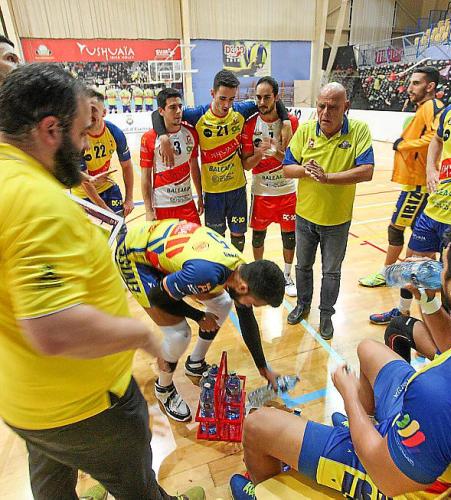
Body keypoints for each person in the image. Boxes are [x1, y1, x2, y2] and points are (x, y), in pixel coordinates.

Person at [0, 63, 204, 500]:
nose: (83, 145)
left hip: (24, 397)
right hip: (85, 404)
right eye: (79, 132)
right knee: (138, 487)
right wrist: (142, 336)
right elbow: (53, 329)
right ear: (50, 130)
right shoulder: (36, 202)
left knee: (52, 483)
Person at [229, 218, 451, 500]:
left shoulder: (436, 395)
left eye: (443, 265)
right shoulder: (446, 381)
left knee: (257, 425)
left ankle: (262, 490)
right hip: (423, 421)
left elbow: (389, 480)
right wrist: (427, 298)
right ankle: (364, 428)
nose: (437, 269)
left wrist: (350, 396)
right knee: (368, 349)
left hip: (393, 474)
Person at [115, 218, 285, 422]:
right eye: (255, 303)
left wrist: (263, 367)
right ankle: (163, 389)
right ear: (243, 288)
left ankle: (195, 363)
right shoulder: (205, 274)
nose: (252, 307)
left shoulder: (241, 270)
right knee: (179, 335)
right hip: (133, 256)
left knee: (222, 303)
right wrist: (199, 316)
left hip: (159, 246)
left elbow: (247, 319)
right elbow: (157, 297)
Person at [152, 69, 293, 252]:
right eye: (222, 98)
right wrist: (163, 136)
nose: (227, 105)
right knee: (215, 241)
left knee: (238, 239)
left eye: (232, 99)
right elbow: (157, 113)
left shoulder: (240, 110)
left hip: (237, 189)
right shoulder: (197, 114)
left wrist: (286, 120)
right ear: (212, 93)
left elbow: (270, 102)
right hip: (213, 193)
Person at [370, 53, 451, 325]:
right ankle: (402, 314)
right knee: (413, 266)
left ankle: (449, 332)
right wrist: (431, 169)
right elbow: (436, 140)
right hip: (435, 208)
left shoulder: (434, 107)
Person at [283, 82, 374, 339]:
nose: (325, 112)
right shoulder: (306, 131)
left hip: (337, 220)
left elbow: (367, 171)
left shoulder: (358, 130)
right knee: (303, 266)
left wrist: (327, 178)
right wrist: (306, 170)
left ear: (346, 107)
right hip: (305, 216)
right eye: (321, 106)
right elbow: (287, 167)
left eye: (332, 107)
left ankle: (326, 315)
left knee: (331, 272)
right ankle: (303, 305)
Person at [359, 67, 443, 288]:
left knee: (396, 229)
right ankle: (428, 277)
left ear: (430, 86)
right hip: (416, 182)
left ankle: (386, 274)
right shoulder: (424, 108)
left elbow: (436, 137)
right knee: (420, 232)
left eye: (416, 83)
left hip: (418, 185)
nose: (410, 88)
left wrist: (404, 145)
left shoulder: (432, 106)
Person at [240, 76, 299, 297]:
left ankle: (287, 276)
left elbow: (296, 161)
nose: (262, 102)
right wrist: (259, 154)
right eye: (258, 97)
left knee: (289, 236)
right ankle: (259, 276)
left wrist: (277, 153)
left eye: (266, 97)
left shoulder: (291, 122)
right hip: (261, 191)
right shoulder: (249, 124)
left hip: (286, 190)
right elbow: (246, 165)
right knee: (258, 237)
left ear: (276, 97)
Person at [140, 88, 203, 224]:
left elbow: (194, 166)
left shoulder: (191, 133)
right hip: (162, 206)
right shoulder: (149, 138)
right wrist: (149, 210)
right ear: (161, 111)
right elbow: (146, 176)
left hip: (187, 203)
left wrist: (200, 196)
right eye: (172, 107)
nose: (178, 111)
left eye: (180, 106)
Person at [72, 89, 134, 217]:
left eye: (93, 110)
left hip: (108, 187)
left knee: (120, 226)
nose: (89, 114)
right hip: (83, 194)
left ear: (104, 112)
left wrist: (129, 198)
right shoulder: (77, 138)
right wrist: (103, 208)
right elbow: (84, 180)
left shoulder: (115, 133)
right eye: (85, 110)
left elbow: (127, 166)